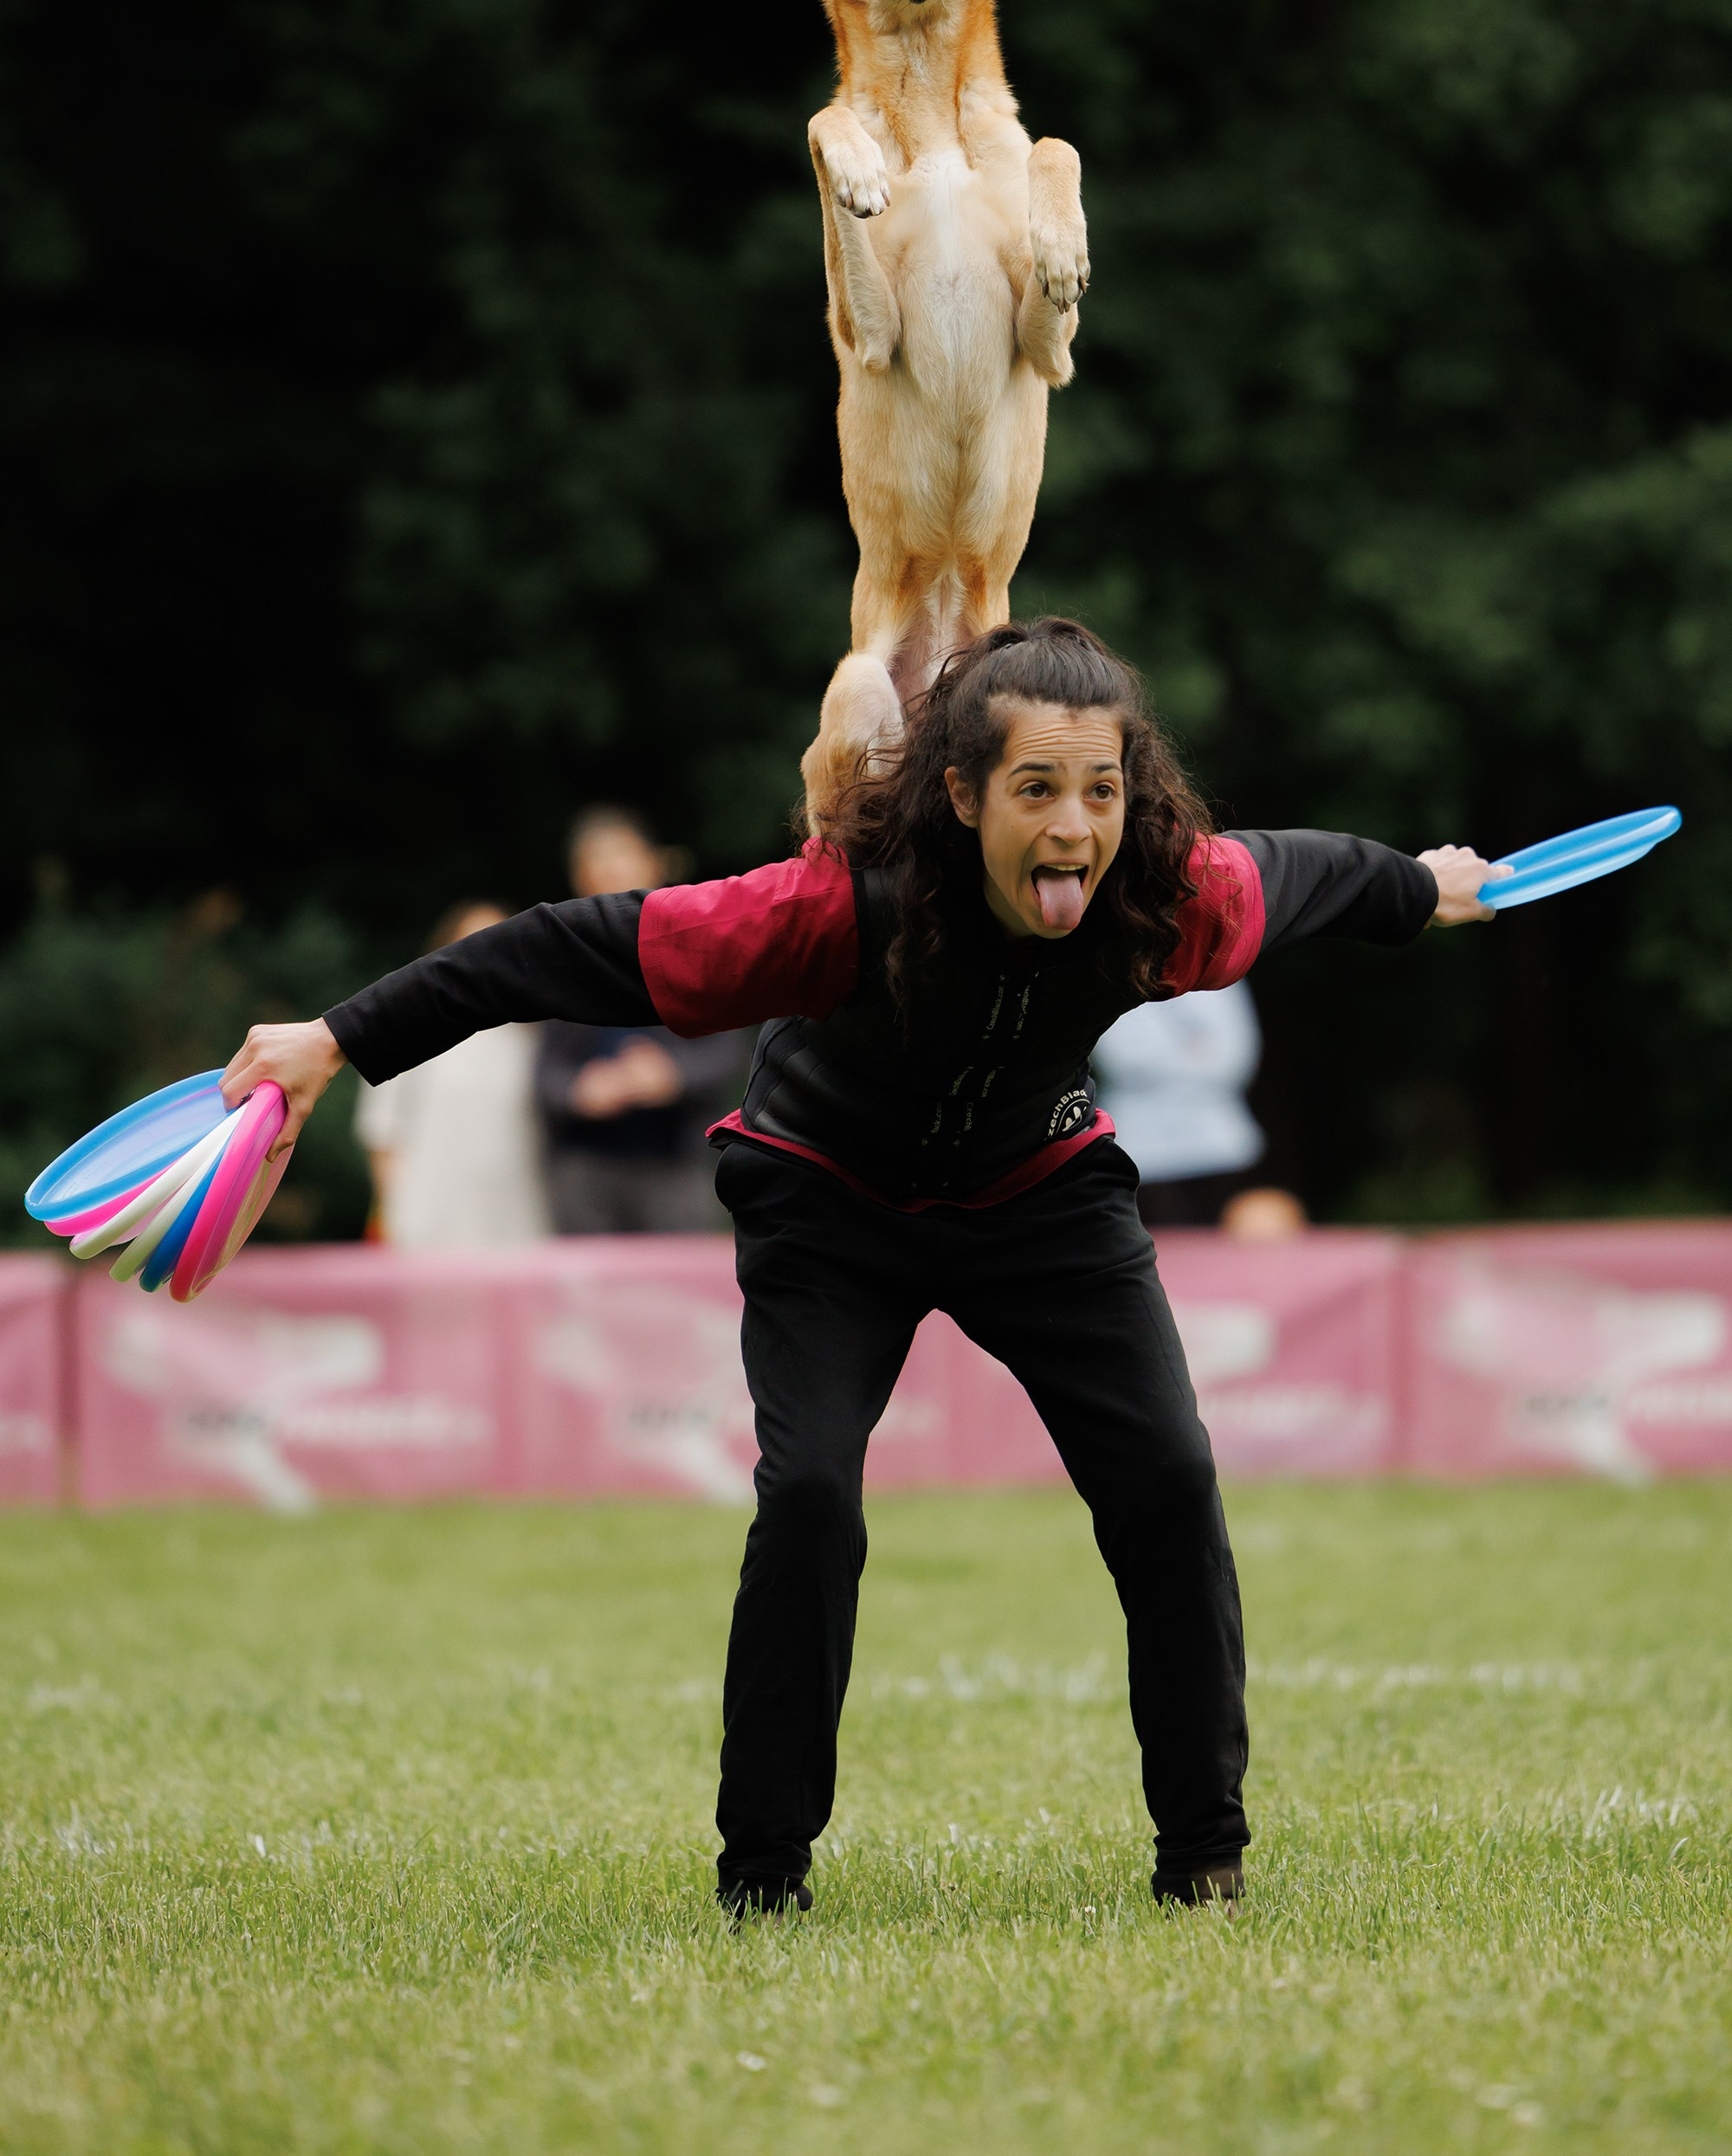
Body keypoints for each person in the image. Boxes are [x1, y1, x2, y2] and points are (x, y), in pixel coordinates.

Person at [222, 616, 1507, 1922]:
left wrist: (1423, 887)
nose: (1074, 827)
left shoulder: (1168, 903)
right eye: (1036, 789)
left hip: (1036, 1194)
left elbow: (1308, 873)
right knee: (813, 1495)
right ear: (961, 793)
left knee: (1171, 1477)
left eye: (1102, 790)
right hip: (828, 1195)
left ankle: (1205, 1857)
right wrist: (340, 1036)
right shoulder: (832, 907)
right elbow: (561, 949)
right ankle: (764, 1875)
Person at [538, 808, 741, 1232]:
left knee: (680, 1291)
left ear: (652, 863)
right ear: (580, 877)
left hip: (677, 1162)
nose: (611, 868)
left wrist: (672, 1075)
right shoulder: (561, 960)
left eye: (622, 854)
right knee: (586, 1294)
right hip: (586, 1168)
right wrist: (579, 1090)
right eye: (598, 859)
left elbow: (730, 1050)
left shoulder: (698, 944)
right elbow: (543, 1075)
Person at [352, 903, 549, 1248]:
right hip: (428, 1217)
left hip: (518, 1216)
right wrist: (393, 1211)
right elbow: (382, 1131)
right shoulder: (409, 1029)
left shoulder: (534, 1035)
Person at [1092, 982, 1267, 1230]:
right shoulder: (1119, 979)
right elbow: (1127, 1060)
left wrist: (1172, 1063)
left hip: (1220, 1149)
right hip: (1146, 1154)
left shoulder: (1221, 977)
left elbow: (1236, 1057)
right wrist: (1200, 1057)